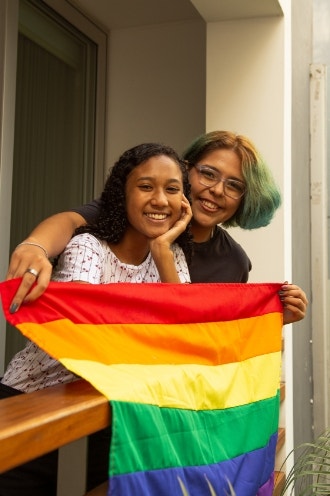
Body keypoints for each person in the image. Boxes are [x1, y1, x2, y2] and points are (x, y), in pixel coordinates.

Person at [0, 142, 193, 495]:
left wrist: (163, 251)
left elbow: (185, 336)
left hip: (103, 412)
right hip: (31, 403)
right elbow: (84, 336)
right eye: (146, 186)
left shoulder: (172, 256)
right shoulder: (88, 246)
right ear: (122, 194)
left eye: (172, 189)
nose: (161, 200)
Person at [6, 131, 308, 323]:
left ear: (245, 199)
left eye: (233, 185)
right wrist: (35, 246)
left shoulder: (233, 262)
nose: (217, 190)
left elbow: (216, 328)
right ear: (185, 169)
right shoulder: (137, 220)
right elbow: (72, 222)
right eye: (208, 173)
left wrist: (272, 316)